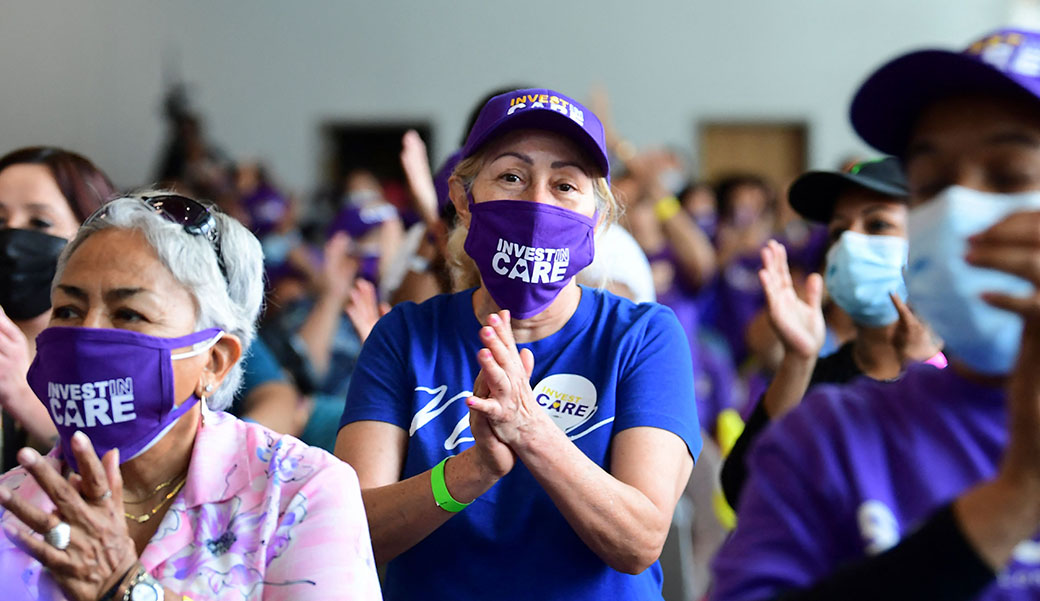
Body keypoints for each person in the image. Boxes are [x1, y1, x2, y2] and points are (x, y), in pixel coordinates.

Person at [711, 27, 1040, 600]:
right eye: (932, 184)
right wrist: (1013, 498)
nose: (959, 206)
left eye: (1008, 176)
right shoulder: (832, 433)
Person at [335, 88, 701, 600]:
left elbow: (639, 541)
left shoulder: (643, 337)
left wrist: (530, 430)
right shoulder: (404, 336)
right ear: (464, 199)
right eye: (512, 176)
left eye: (566, 185)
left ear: (597, 217)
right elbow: (351, 535)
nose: (537, 204)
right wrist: (471, 472)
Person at [0, 194, 381, 600]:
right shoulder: (14, 502)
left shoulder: (298, 494)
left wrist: (126, 588)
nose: (86, 336)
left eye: (129, 314)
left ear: (215, 362)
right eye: (69, 310)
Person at [719, 157, 943, 507]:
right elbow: (744, 491)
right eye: (839, 231)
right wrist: (797, 359)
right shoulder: (815, 378)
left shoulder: (975, 370)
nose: (852, 242)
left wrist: (927, 368)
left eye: (878, 224)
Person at [0, 147, 117, 469]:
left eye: (39, 222)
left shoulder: (119, 352)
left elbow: (124, 474)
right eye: (0, 221)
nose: (11, 242)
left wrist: (21, 396)